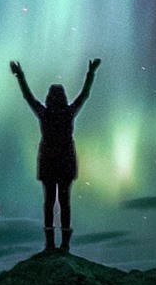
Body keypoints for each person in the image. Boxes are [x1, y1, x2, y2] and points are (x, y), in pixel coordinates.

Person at [12, 57, 99, 252]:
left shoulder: (44, 113)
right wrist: (91, 74)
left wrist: (20, 76)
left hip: (49, 161)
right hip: (65, 161)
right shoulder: (68, 113)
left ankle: (51, 244)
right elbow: (84, 95)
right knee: (64, 201)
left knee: (50, 201)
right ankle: (64, 244)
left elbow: (28, 97)